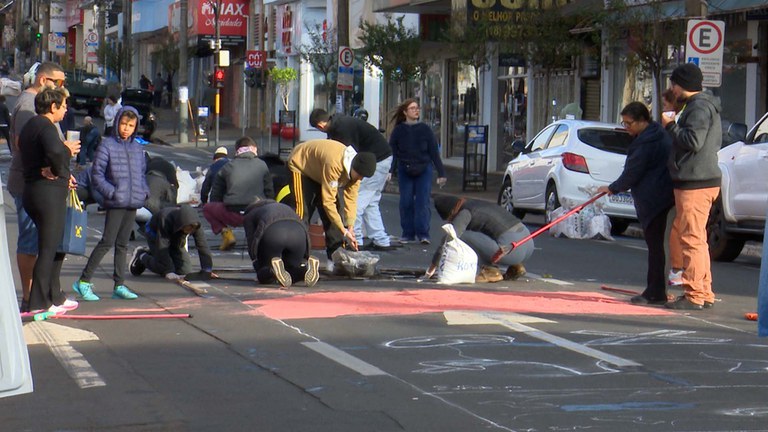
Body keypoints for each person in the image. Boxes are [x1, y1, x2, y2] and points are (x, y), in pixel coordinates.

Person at [8, 61, 70, 313]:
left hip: (37, 185)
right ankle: (34, 299)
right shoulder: (34, 114)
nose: (62, 90)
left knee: (45, 245)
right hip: (38, 187)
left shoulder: (37, 119)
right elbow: (35, 147)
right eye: (59, 84)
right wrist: (55, 168)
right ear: (44, 81)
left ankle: (46, 297)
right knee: (39, 245)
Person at [597, 102, 675, 305]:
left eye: (629, 123)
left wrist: (613, 188)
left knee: (657, 248)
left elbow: (633, 171)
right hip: (661, 195)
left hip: (655, 199)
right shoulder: (656, 134)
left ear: (642, 121)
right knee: (658, 247)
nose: (626, 127)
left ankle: (655, 292)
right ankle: (656, 289)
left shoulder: (647, 143)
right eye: (623, 123)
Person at [661, 63, 722, 310]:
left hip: (695, 182)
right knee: (698, 238)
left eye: (673, 84)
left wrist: (670, 125)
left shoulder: (698, 108)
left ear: (681, 84)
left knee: (691, 238)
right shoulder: (702, 106)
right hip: (700, 179)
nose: (671, 89)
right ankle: (703, 290)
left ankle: (694, 293)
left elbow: (693, 141)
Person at [73, 106, 149, 301]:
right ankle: (83, 281)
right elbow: (96, 174)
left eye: (130, 125)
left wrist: (144, 191)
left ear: (135, 127)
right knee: (107, 241)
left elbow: (141, 174)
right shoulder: (107, 145)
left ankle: (119, 285)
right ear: (117, 123)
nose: (126, 128)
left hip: (132, 201)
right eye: (124, 124)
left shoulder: (138, 148)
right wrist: (111, 192)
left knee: (123, 244)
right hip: (116, 201)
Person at [20, 87, 80, 315]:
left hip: (34, 191)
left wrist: (61, 171)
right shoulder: (45, 126)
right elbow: (56, 152)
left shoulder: (31, 125)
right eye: (63, 106)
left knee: (56, 246)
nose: (65, 110)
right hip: (47, 195)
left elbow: (41, 155)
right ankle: (38, 302)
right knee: (48, 249)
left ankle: (56, 296)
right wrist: (66, 155)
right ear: (53, 106)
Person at [309, 108, 395, 251]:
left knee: (359, 199)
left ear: (320, 126)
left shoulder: (342, 129)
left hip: (376, 160)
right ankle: (380, 239)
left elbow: (348, 155)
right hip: (382, 157)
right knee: (371, 201)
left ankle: (356, 238)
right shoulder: (340, 123)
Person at [287, 139, 377, 260]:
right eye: (360, 175)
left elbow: (351, 200)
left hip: (320, 170)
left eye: (363, 177)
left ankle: (337, 258)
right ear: (353, 167)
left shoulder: (356, 175)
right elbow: (328, 202)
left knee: (336, 217)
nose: (360, 179)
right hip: (301, 166)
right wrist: (344, 231)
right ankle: (296, 257)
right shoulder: (335, 164)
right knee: (302, 212)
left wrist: (350, 227)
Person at [430, 195, 533, 283]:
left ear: (452, 212)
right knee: (487, 233)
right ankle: (516, 266)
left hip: (512, 250)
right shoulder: (476, 204)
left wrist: (433, 265)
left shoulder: (465, 212)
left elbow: (450, 237)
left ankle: (491, 271)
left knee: (463, 236)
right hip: (527, 243)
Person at [389, 98, 447, 244]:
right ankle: (408, 233)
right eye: (412, 108)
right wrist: (390, 170)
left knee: (423, 202)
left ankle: (423, 234)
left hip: (424, 169)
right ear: (405, 112)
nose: (416, 110)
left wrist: (441, 173)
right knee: (406, 201)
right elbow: (393, 153)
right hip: (405, 169)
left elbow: (434, 152)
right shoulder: (399, 131)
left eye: (417, 108)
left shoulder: (425, 130)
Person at [202, 137, 273, 251]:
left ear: (237, 150)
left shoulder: (227, 167)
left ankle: (226, 234)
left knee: (207, 208)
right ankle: (260, 237)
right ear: (254, 149)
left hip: (233, 213)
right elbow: (269, 192)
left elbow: (215, 195)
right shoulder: (262, 165)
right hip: (257, 213)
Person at [243, 198, 320, 288]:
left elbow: (252, 241)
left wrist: (257, 263)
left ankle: (272, 271)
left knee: (264, 274)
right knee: (291, 270)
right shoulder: (285, 207)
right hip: (298, 235)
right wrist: (307, 255)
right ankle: (305, 270)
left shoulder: (250, 214)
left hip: (274, 233)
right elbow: (304, 227)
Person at [130, 204, 214, 281]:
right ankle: (142, 256)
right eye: (188, 229)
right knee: (163, 267)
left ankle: (152, 252)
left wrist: (207, 269)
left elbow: (202, 245)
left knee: (184, 270)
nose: (190, 232)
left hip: (176, 236)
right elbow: (162, 245)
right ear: (182, 224)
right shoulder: (165, 219)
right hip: (155, 235)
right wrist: (168, 271)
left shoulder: (195, 224)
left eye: (192, 230)